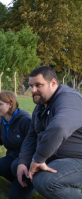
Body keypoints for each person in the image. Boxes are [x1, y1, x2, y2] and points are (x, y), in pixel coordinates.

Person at [11, 66, 82, 198]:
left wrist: (38, 159)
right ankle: (33, 186)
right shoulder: (40, 106)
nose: (33, 90)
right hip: (54, 156)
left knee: (45, 181)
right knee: (17, 165)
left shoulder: (69, 98)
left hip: (76, 158)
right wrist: (23, 161)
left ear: (53, 83)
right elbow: (31, 135)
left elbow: (60, 126)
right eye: (31, 86)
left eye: (38, 85)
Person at [0, 91, 33, 199]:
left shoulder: (25, 120)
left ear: (10, 104)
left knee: (14, 196)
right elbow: (0, 140)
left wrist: (24, 161)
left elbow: (34, 143)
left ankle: (31, 182)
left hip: (28, 157)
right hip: (13, 155)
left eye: (0, 104)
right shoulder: (1, 120)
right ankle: (18, 180)